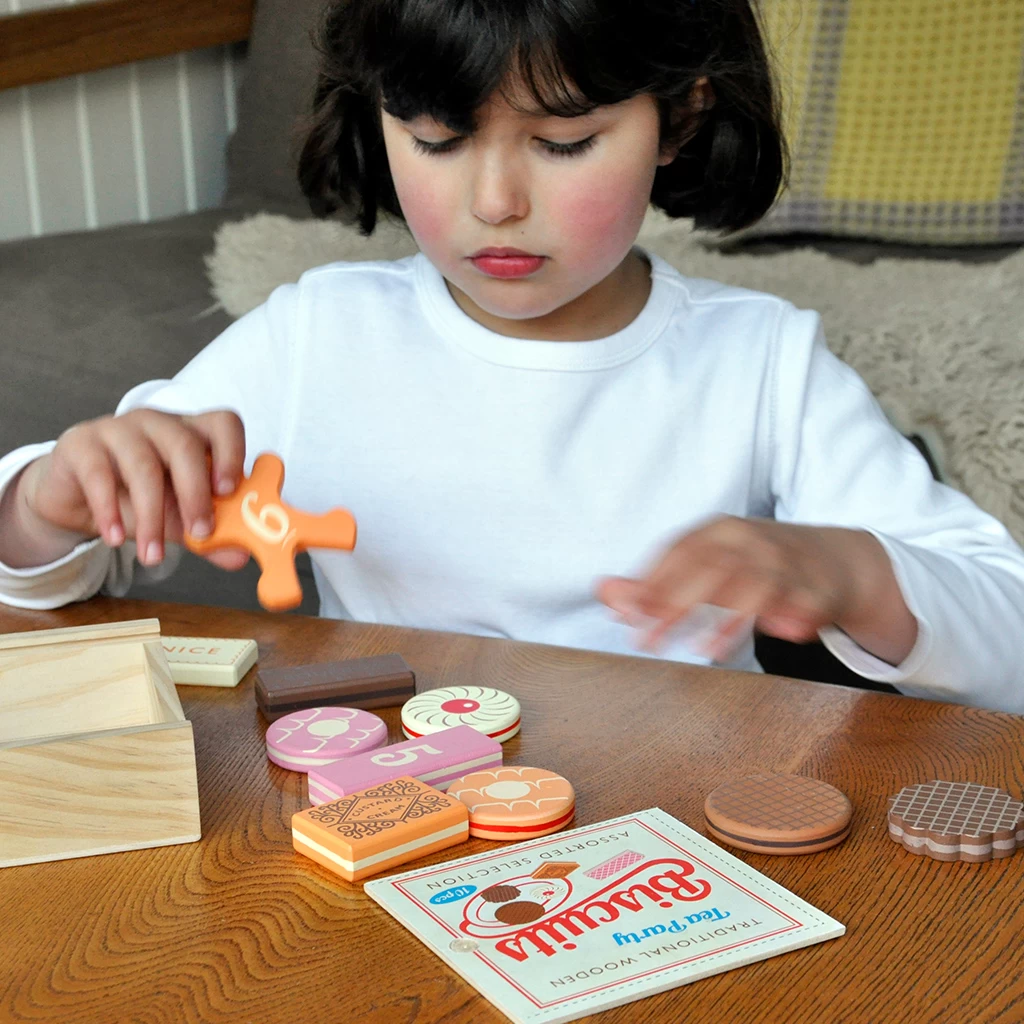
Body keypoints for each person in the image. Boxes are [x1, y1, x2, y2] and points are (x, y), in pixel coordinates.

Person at [1, 0, 1023, 713]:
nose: (493, 202)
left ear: (680, 118)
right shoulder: (317, 334)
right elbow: (37, 570)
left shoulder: (762, 361)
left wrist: (851, 571)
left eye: (564, 142)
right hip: (399, 802)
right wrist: (47, 502)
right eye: (438, 140)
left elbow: (1007, 640)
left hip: (680, 823)